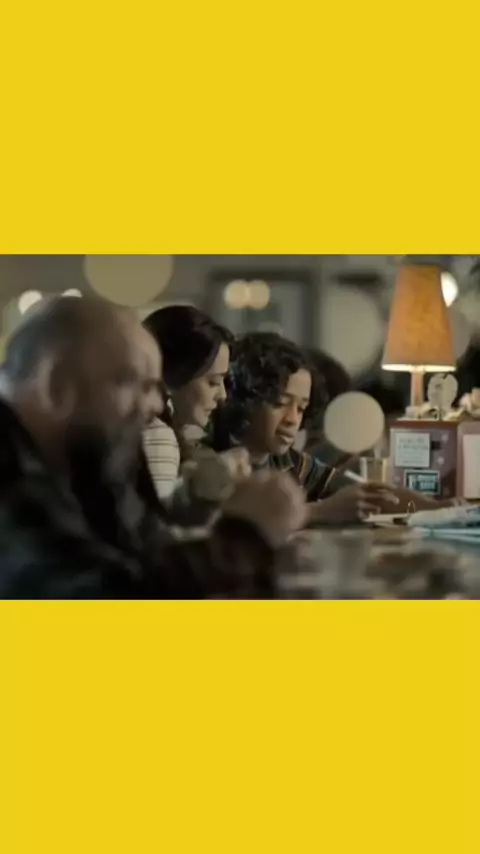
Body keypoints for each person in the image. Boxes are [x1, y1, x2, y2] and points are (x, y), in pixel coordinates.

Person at [0, 297, 306, 598]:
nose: (156, 404)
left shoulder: (93, 457)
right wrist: (245, 538)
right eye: (134, 383)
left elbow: (148, 553)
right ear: (58, 386)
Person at [210, 331, 401, 523]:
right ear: (245, 399)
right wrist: (323, 510)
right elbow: (242, 519)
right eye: (280, 403)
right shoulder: (216, 460)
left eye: (301, 408)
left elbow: (346, 487)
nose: (292, 419)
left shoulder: (290, 462)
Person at [142, 305, 250, 508]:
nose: (222, 396)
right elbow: (157, 521)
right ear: (173, 376)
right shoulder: (157, 436)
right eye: (213, 382)